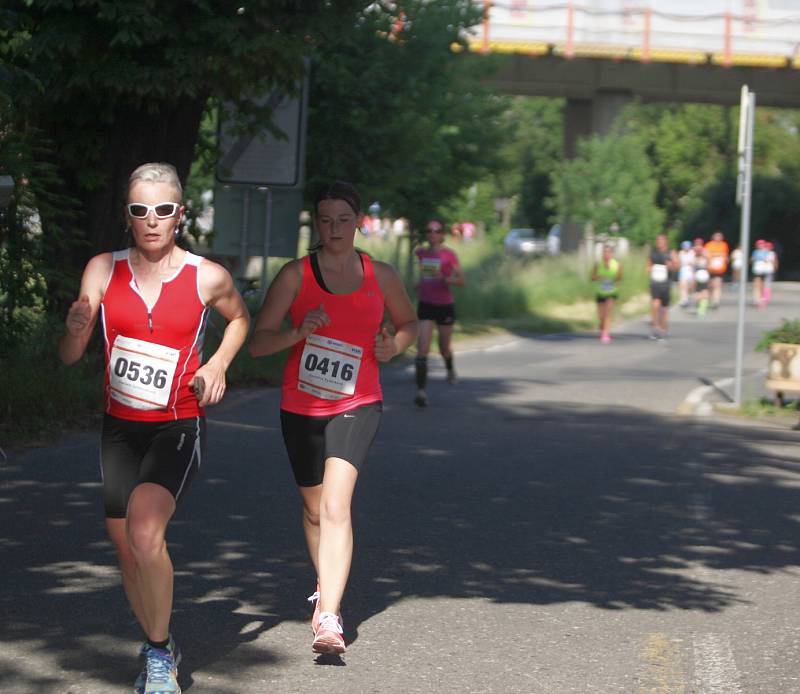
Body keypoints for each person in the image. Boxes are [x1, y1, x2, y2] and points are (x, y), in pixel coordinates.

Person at [58, 162, 250, 693]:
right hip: (119, 426)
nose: (152, 220)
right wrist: (75, 329)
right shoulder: (102, 269)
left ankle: (161, 655)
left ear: (179, 215)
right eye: (140, 210)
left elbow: (239, 319)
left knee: (145, 530)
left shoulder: (206, 275)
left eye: (163, 210)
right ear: (127, 216)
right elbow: (72, 355)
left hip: (178, 426)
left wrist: (216, 365)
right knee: (124, 544)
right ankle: (156, 642)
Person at [249, 181, 417, 655]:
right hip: (301, 407)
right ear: (315, 224)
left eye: (343, 219)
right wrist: (298, 332)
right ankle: (326, 587)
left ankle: (329, 616)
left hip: (357, 402)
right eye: (325, 220)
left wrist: (394, 345)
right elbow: (260, 342)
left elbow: (408, 323)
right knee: (313, 508)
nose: (334, 228)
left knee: (336, 507)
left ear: (358, 221)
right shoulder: (295, 276)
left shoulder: (379, 275)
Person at [413, 218, 465, 406]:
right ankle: (421, 392)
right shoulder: (421, 253)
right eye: (429, 231)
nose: (432, 234)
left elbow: (460, 280)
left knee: (443, 349)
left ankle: (450, 367)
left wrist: (444, 278)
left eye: (436, 231)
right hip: (426, 304)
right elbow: (424, 275)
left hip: (444, 305)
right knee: (422, 349)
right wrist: (420, 283)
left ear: (442, 234)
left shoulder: (449, 255)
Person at [647, 233, 677, 341]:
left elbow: (676, 266)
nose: (659, 242)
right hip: (655, 282)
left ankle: (663, 329)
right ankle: (655, 328)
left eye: (661, 240)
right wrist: (649, 269)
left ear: (666, 242)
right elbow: (648, 265)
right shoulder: (653, 253)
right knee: (655, 305)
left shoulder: (671, 253)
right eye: (657, 240)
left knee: (664, 309)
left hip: (666, 283)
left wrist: (671, 266)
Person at [591, 244, 622, 343]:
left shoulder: (617, 264)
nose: (607, 254)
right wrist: (598, 277)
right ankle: (602, 327)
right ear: (602, 253)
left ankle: (606, 334)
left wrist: (615, 276)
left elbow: (619, 278)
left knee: (608, 313)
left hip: (612, 292)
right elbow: (592, 277)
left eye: (609, 252)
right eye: (605, 252)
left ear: (612, 254)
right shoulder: (598, 264)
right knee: (601, 316)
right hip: (600, 292)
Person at [704, 230, 730, 309]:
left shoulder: (724, 245)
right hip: (710, 268)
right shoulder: (709, 245)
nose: (718, 238)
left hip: (720, 269)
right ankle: (710, 299)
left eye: (719, 236)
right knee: (710, 285)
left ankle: (716, 301)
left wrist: (725, 259)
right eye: (716, 236)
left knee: (717, 285)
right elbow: (706, 255)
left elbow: (726, 255)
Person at [692, 238, 710, 317]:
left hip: (702, 272)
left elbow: (708, 261)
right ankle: (702, 306)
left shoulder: (704, 251)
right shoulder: (694, 252)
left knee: (702, 291)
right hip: (698, 272)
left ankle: (702, 308)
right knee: (699, 291)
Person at [751, 239, 771, 307]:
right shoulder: (755, 252)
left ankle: (762, 298)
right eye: (759, 244)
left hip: (764, 270)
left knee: (762, 285)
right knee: (756, 285)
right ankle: (756, 298)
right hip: (757, 269)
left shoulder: (766, 252)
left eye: (761, 244)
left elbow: (768, 260)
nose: (760, 245)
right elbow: (752, 260)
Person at [677, 240, 695, 308]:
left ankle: (688, 296)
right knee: (683, 285)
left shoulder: (692, 253)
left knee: (689, 286)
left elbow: (693, 263)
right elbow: (679, 262)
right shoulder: (681, 253)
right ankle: (684, 299)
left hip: (690, 271)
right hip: (683, 271)